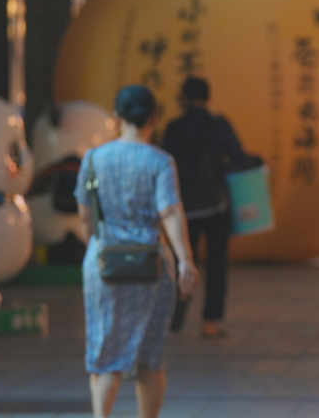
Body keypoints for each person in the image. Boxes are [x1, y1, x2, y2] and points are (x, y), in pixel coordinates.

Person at [75, 85, 199, 418]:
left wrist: (97, 246)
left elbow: (86, 214)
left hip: (104, 265)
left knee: (105, 354)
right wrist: (186, 259)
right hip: (151, 268)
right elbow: (170, 212)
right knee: (149, 356)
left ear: (117, 117)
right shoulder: (160, 161)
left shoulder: (92, 159)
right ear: (154, 119)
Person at [162, 77, 260, 339]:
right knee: (217, 265)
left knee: (184, 259)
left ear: (183, 98)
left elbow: (165, 165)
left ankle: (178, 304)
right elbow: (239, 158)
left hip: (183, 207)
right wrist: (259, 162)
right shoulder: (218, 125)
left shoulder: (173, 128)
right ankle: (210, 322)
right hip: (216, 205)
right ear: (208, 97)